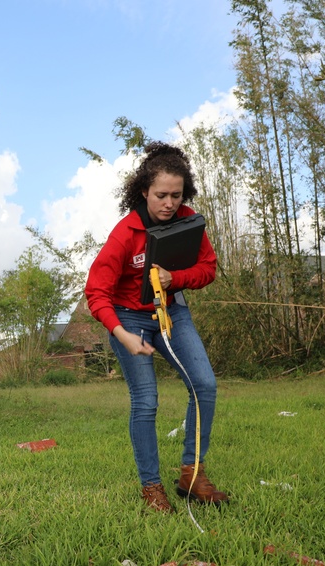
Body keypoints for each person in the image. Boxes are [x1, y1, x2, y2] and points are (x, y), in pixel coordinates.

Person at [84, 141, 227, 513]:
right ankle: (152, 488)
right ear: (144, 191)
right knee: (146, 401)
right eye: (161, 195)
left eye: (176, 196)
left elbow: (208, 268)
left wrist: (174, 277)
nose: (169, 203)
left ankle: (191, 475)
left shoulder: (189, 221)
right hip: (128, 318)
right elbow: (96, 292)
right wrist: (122, 334)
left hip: (171, 311)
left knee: (205, 385)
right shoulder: (124, 234)